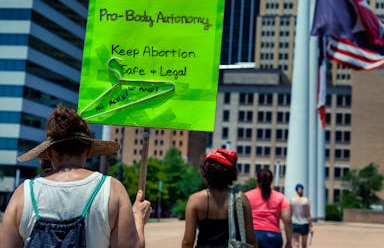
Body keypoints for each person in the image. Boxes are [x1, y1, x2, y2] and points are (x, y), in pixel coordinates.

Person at [0, 105, 152, 248]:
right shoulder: (112, 189)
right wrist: (138, 217)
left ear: (50, 153)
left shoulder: (24, 192)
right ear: (87, 150)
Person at [182, 148, 257, 248]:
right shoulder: (240, 198)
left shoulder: (195, 200)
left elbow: (188, 241)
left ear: (205, 172)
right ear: (231, 173)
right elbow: (251, 239)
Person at [246, 168, 292, 248]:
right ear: (271, 181)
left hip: (253, 235)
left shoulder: (247, 196)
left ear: (257, 180)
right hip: (273, 236)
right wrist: (289, 242)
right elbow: (287, 220)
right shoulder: (280, 197)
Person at [290, 183, 313, 248]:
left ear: (296, 190)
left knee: (296, 244)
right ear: (303, 189)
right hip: (304, 224)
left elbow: (290, 213)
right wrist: (311, 226)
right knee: (304, 244)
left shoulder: (292, 200)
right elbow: (308, 214)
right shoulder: (306, 200)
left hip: (295, 224)